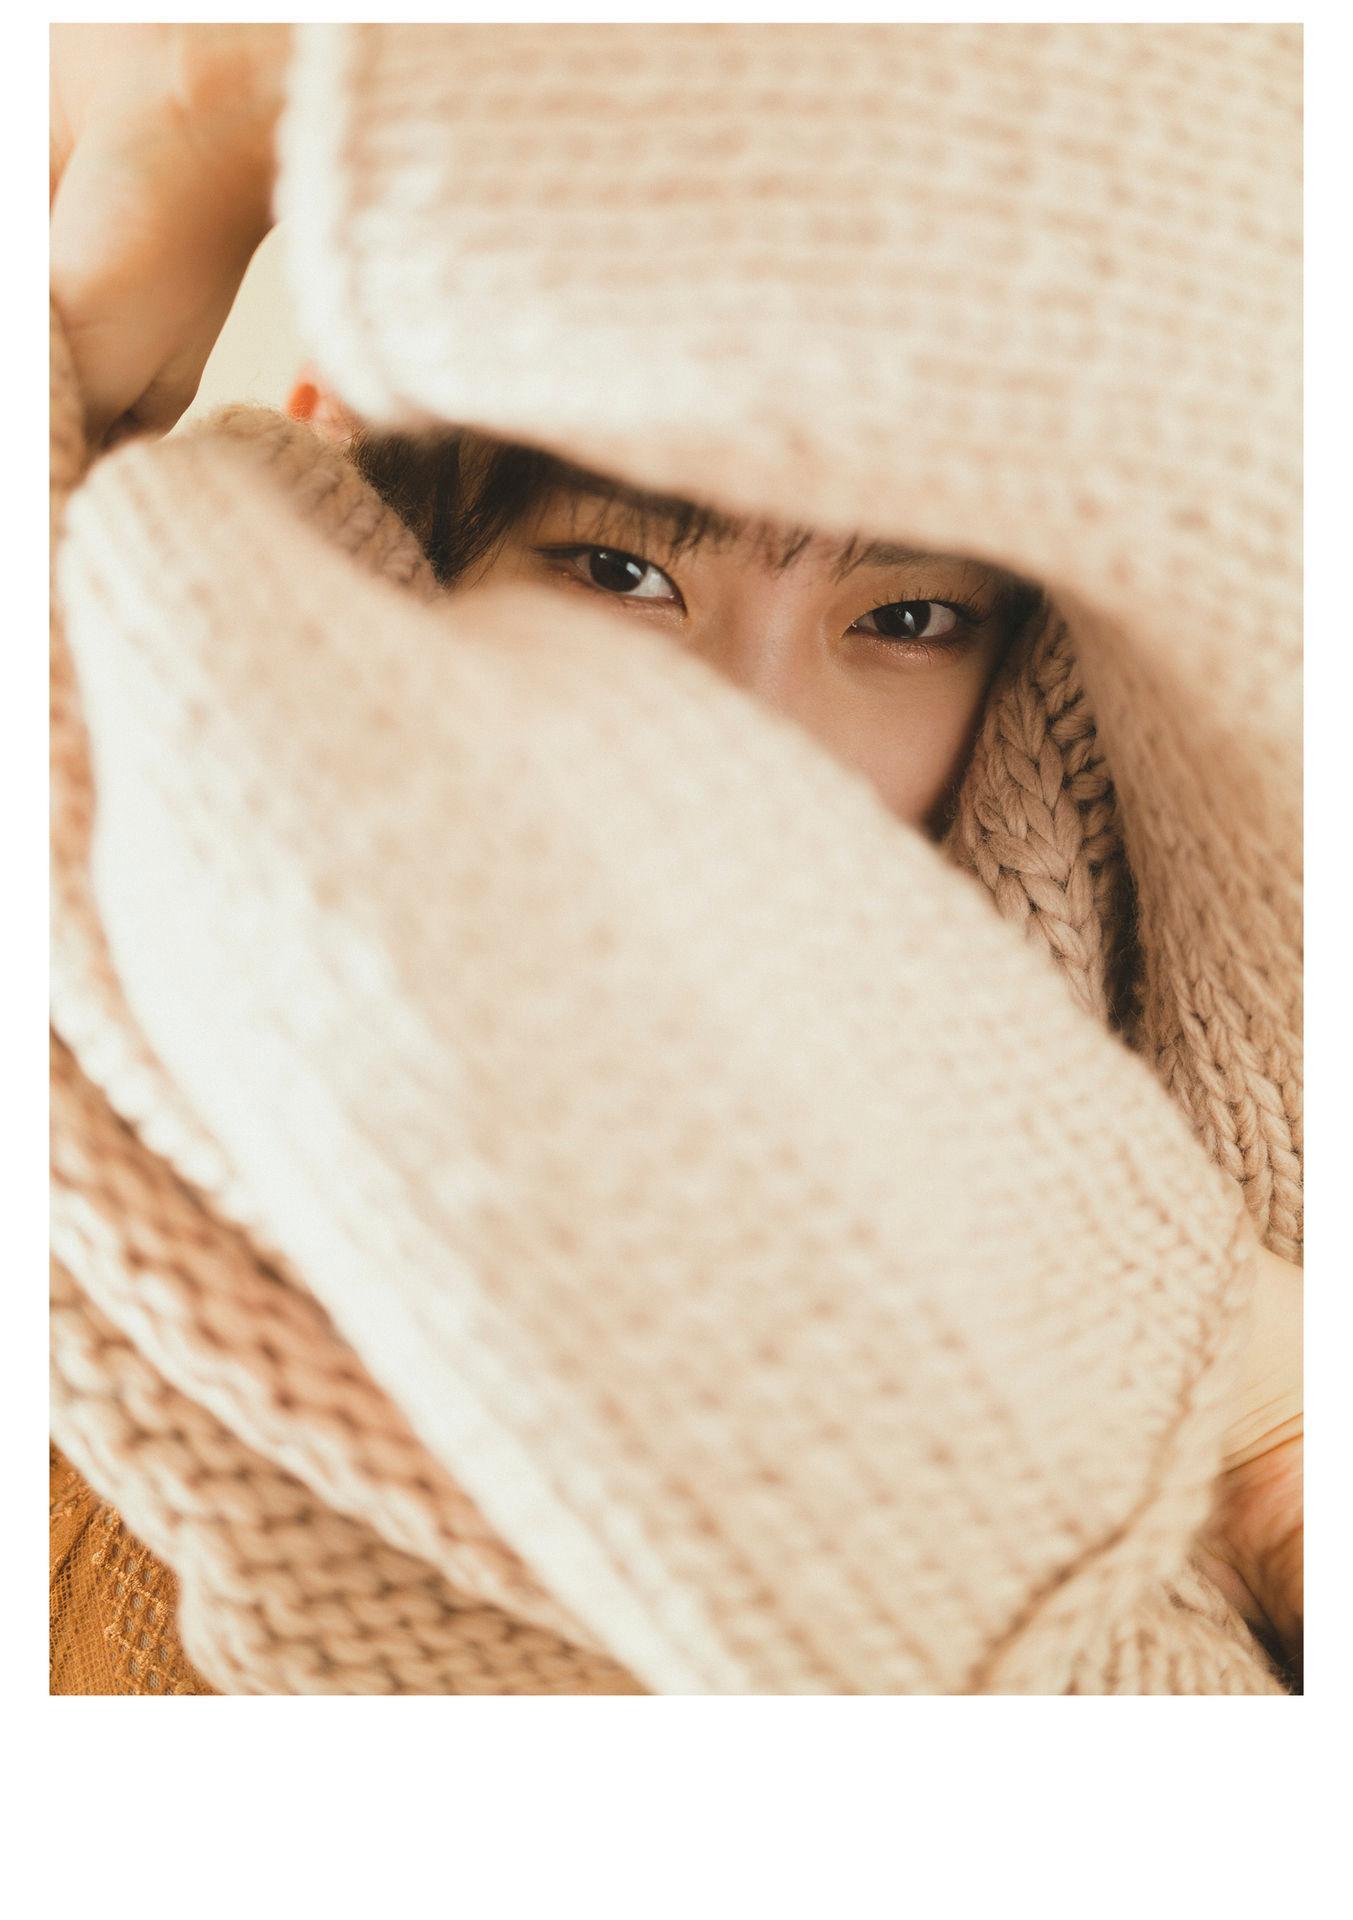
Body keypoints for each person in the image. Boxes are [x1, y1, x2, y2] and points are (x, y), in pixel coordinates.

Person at [50, 24, 1302, 1688]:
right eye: (620, 574)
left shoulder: (1252, 1053)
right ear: (391, 535)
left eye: (905, 621)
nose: (752, 733)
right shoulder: (109, 1260)